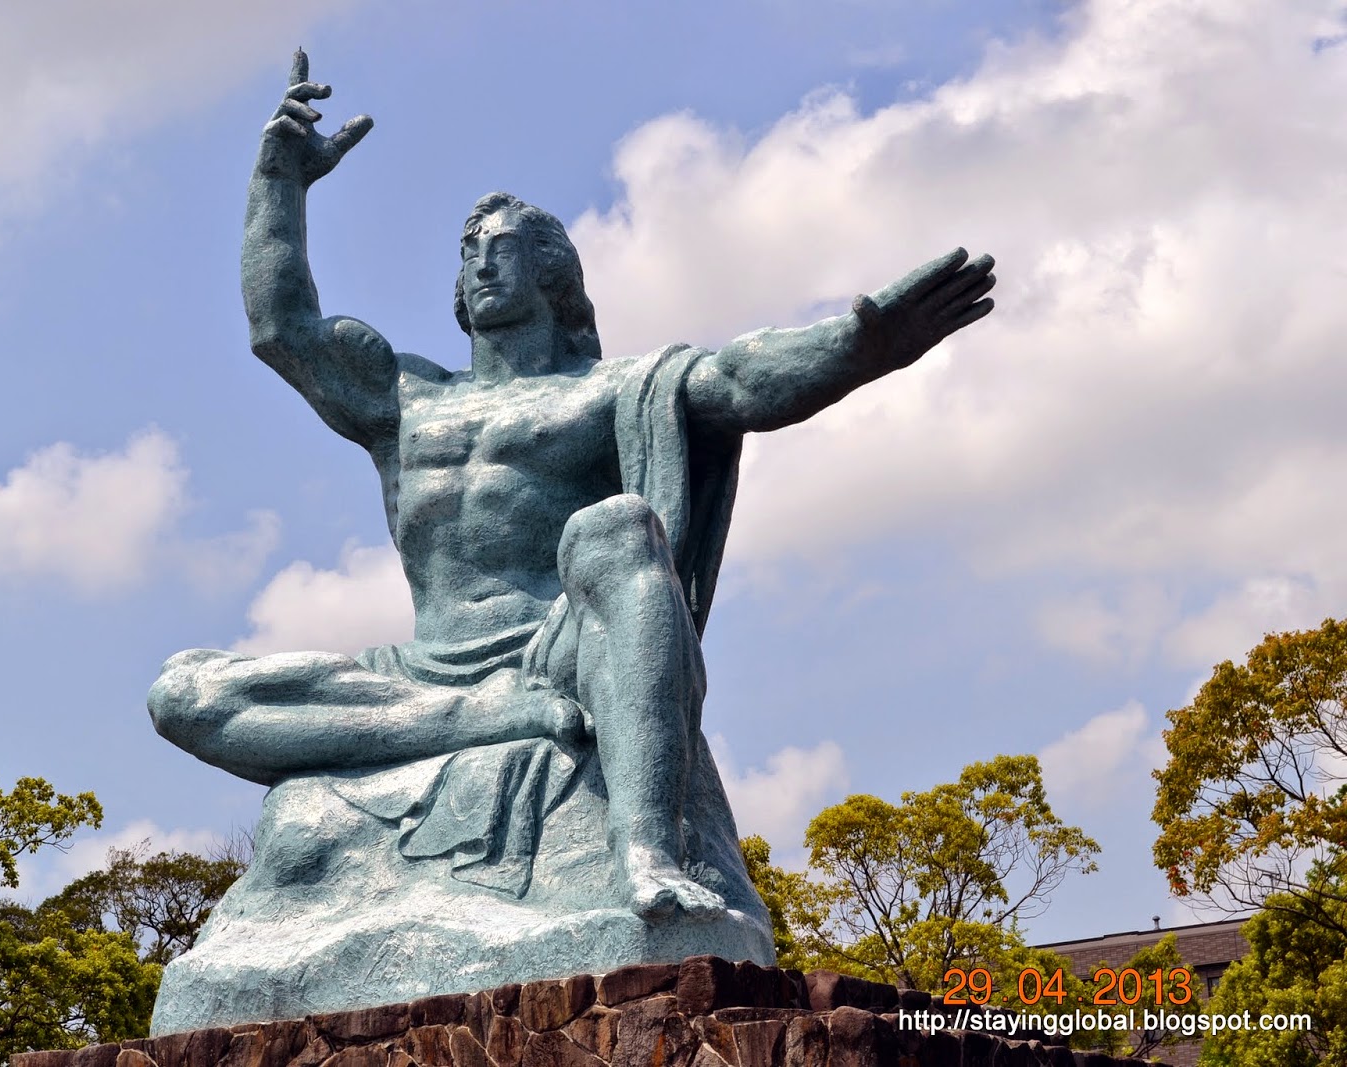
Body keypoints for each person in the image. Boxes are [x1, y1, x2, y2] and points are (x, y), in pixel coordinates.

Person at [149, 50, 995, 922]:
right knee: (184, 691)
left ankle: (646, 853)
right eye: (468, 250)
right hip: (422, 675)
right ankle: (477, 722)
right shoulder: (402, 395)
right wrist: (277, 181)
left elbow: (742, 378)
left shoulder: (610, 390)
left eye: (502, 248)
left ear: (553, 273)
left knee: (621, 528)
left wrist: (858, 348)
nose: (480, 264)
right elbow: (280, 327)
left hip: (555, 649)